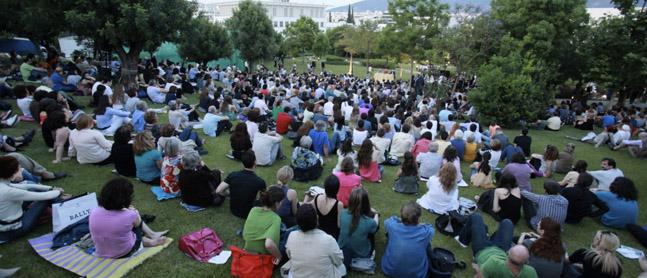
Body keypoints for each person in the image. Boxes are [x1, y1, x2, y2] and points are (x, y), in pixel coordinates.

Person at [89, 178, 168, 258]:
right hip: (124, 253)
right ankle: (152, 241)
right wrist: (134, 212)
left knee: (119, 233)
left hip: (101, 252)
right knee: (135, 224)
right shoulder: (130, 214)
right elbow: (138, 226)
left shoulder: (94, 211)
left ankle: (153, 235)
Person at [0, 156, 64, 242]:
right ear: (12, 172)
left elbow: (26, 185)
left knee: (33, 188)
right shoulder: (8, 191)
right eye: (19, 169)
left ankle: (64, 206)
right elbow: (43, 197)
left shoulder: (3, 184)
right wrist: (58, 192)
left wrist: (50, 187)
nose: (21, 170)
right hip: (14, 230)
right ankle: (66, 212)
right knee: (45, 199)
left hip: (4, 226)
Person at [455, 213, 538, 278]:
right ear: (527, 261)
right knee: (507, 222)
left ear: (508, 254)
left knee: (476, 216)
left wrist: (478, 269)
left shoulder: (493, 264)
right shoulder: (530, 272)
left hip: (481, 249)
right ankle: (491, 238)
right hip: (501, 249)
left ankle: (462, 240)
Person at [284, 204, 346, 278]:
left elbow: (290, 256)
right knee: (342, 264)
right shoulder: (328, 239)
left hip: (298, 274)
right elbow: (339, 261)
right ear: (317, 219)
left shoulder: (292, 236)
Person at [381, 201, 435, 278]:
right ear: (419, 218)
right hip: (416, 275)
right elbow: (430, 227)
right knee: (427, 244)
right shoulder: (426, 232)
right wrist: (420, 224)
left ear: (402, 215)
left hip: (389, 270)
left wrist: (401, 219)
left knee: (389, 235)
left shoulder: (392, 226)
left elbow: (389, 220)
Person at [216, 150, 267, 219]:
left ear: (242, 163)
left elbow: (218, 190)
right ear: (255, 162)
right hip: (250, 213)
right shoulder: (260, 181)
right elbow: (264, 199)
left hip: (233, 210)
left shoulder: (233, 175)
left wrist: (230, 194)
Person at [338, 188, 379, 268]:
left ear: (350, 201)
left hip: (341, 249)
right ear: (366, 204)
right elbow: (376, 226)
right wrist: (376, 214)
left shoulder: (342, 213)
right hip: (362, 254)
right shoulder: (370, 222)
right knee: (372, 230)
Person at [242, 186, 284, 264]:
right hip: (263, 256)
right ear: (277, 203)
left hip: (248, 248)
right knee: (287, 237)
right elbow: (269, 244)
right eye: (281, 201)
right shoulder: (276, 218)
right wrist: (278, 256)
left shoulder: (253, 210)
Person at [310, 175, 344, 239]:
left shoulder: (317, 197)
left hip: (319, 234)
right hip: (332, 237)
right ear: (337, 189)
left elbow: (310, 209)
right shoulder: (339, 204)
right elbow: (339, 225)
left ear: (325, 187)